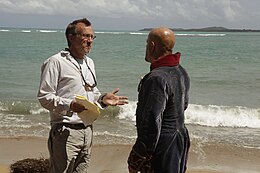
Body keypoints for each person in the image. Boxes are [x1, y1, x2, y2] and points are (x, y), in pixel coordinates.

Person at [37, 18, 128, 173]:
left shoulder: (89, 62)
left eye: (92, 37)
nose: (90, 41)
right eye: (85, 36)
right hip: (65, 131)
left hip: (87, 131)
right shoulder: (56, 61)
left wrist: (102, 99)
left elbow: (91, 92)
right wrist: (70, 105)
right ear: (71, 37)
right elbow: (44, 97)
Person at [127, 27, 190, 173]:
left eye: (147, 43)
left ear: (152, 45)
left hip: (163, 146)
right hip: (180, 139)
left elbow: (152, 122)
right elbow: (184, 104)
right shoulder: (180, 70)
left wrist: (137, 157)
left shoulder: (156, 78)